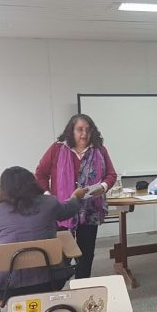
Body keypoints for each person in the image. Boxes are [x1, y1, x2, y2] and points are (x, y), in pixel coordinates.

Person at [0, 167, 87, 299]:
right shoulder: (50, 203)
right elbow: (68, 210)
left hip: (7, 287)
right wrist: (75, 197)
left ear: (4, 188)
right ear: (33, 183)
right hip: (50, 281)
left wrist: (8, 260)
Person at [35, 114, 117, 279]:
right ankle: (59, 287)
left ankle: (82, 284)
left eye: (88, 130)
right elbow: (40, 174)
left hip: (90, 210)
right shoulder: (57, 149)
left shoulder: (100, 150)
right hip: (62, 210)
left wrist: (103, 187)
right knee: (60, 255)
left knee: (86, 254)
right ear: (71, 131)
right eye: (80, 130)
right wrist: (48, 196)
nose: (84, 134)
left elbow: (111, 175)